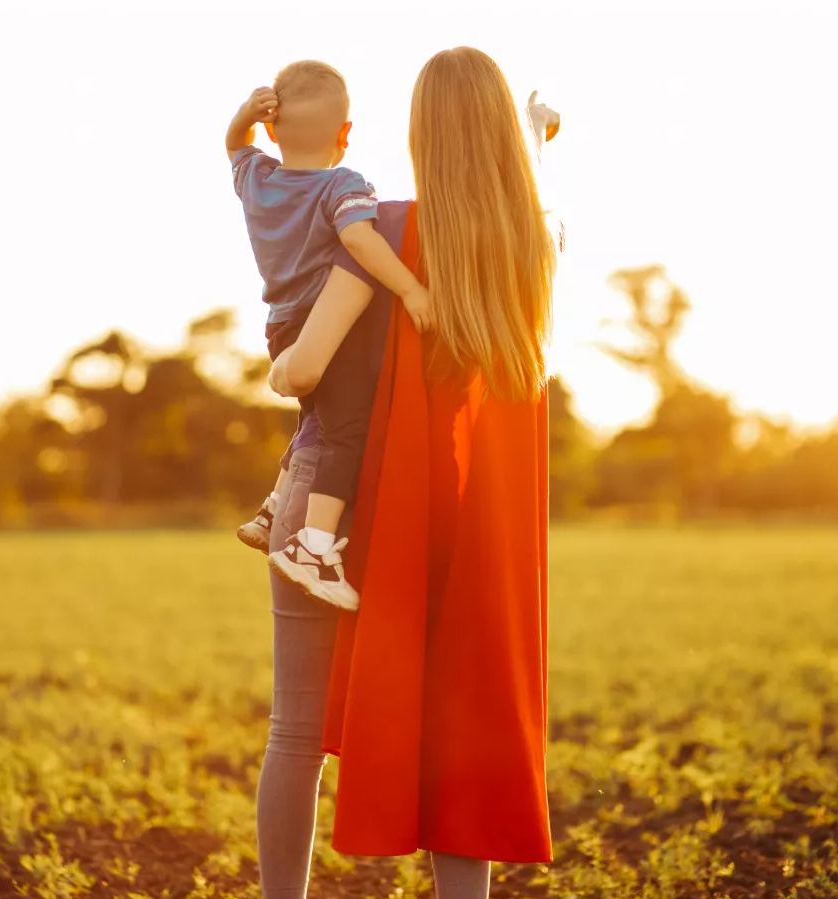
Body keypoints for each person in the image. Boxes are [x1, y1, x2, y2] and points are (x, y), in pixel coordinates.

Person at [256, 47, 559, 899]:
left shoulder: (379, 228)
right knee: (460, 740)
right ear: (502, 134)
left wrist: (281, 371)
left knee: (297, 732)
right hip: (457, 526)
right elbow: (516, 204)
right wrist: (534, 142)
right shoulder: (536, 245)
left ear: (418, 135)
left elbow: (307, 367)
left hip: (341, 512)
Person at [227, 60, 433, 612]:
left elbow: (233, 144)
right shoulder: (342, 185)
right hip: (327, 325)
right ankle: (313, 547)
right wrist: (412, 291)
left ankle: (275, 507)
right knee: (348, 429)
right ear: (345, 135)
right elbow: (362, 244)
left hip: (282, 326)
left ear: (271, 129)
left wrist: (244, 116)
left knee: (316, 418)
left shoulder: (257, 179)